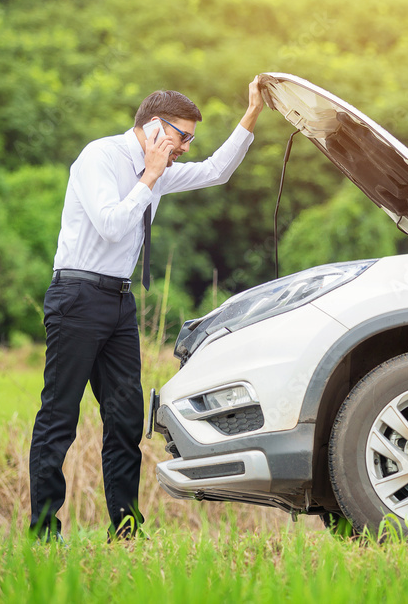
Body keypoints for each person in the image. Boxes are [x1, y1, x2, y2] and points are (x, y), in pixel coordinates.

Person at [29, 76, 265, 542]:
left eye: (189, 138)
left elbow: (217, 170)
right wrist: (150, 176)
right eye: (181, 135)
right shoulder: (101, 157)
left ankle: (127, 529)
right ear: (154, 126)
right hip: (76, 296)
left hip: (119, 303)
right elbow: (113, 225)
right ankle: (43, 532)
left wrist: (253, 111)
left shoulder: (158, 166)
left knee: (125, 418)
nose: (185, 146)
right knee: (59, 416)